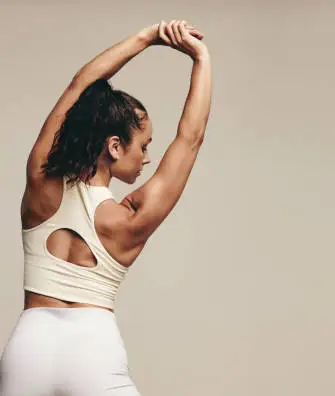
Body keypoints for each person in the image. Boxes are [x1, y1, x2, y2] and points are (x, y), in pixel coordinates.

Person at [0, 19, 212, 395]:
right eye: (144, 145)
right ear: (115, 147)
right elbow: (189, 140)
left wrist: (146, 37)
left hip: (29, 349)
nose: (147, 156)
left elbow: (78, 85)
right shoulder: (128, 219)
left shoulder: (40, 181)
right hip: (92, 350)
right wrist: (201, 58)